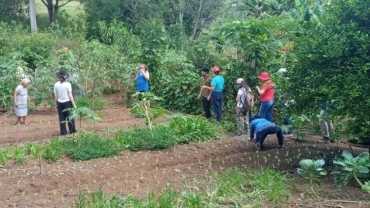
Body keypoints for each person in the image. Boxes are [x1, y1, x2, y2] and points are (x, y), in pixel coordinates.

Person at [54, 70, 77, 135]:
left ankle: (63, 132)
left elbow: (55, 96)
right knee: (70, 117)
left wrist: (56, 104)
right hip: (67, 103)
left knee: (61, 118)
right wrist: (74, 104)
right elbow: (70, 95)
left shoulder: (56, 84)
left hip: (59, 103)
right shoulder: (68, 84)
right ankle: (72, 131)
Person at [276, 68, 293, 136]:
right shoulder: (286, 80)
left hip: (287, 102)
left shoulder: (286, 81)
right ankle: (286, 131)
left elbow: (287, 93)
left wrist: (283, 99)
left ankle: (289, 132)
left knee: (287, 117)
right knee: (285, 117)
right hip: (286, 101)